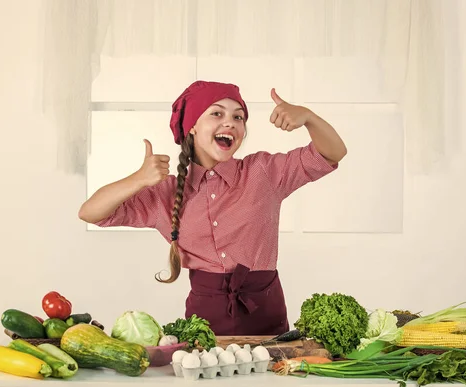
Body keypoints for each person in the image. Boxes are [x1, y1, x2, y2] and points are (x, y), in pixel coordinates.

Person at [78, 80, 347, 336]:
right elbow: (90, 212)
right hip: (203, 326)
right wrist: (139, 179)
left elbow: (332, 153)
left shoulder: (263, 173)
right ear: (192, 126)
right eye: (216, 114)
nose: (229, 122)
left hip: (267, 320)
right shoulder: (166, 193)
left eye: (238, 117)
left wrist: (309, 117)